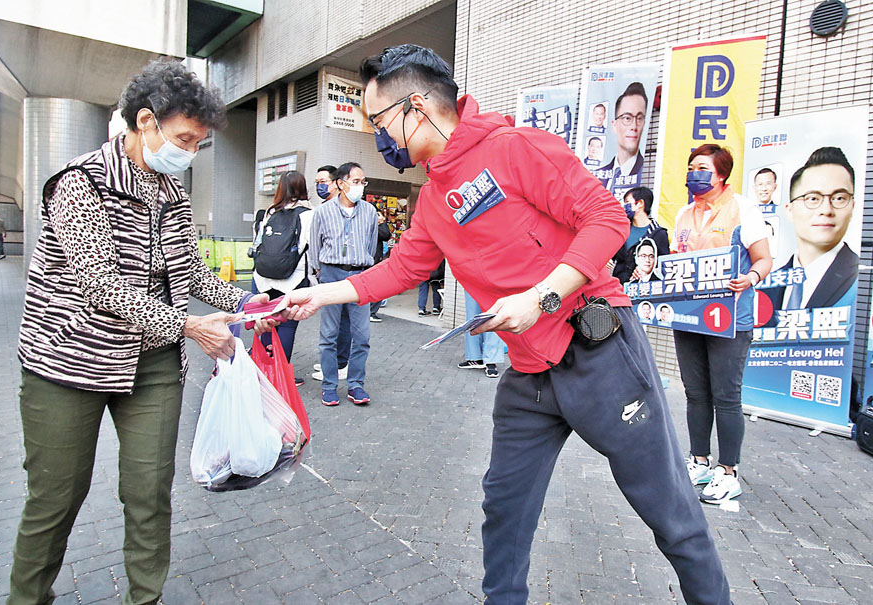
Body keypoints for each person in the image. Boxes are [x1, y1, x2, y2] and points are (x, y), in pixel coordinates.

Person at [270, 44, 731, 604]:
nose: (378, 138)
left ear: (417, 108)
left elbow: (606, 218)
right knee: (504, 507)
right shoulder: (436, 197)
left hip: (599, 349)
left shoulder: (514, 148)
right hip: (530, 374)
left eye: (380, 122)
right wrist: (318, 295)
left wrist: (540, 296)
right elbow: (400, 269)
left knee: (670, 513)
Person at [10, 59, 269, 605]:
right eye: (184, 139)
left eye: (199, 145)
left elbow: (190, 271)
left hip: (151, 366)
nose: (190, 153)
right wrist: (192, 326)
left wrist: (251, 302)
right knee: (56, 496)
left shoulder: (171, 192)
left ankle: (143, 599)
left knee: (149, 493)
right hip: (67, 362)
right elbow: (104, 287)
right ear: (145, 122)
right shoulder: (79, 185)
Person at [673, 143, 772, 504]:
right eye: (690, 167)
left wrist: (751, 278)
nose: (693, 174)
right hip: (690, 318)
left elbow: (763, 259)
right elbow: (677, 262)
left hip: (730, 320)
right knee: (695, 393)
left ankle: (728, 472)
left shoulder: (743, 209)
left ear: (722, 174)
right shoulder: (684, 213)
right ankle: (699, 461)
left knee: (726, 396)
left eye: (702, 168)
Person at [308, 162, 377, 406]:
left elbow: (371, 246)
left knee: (362, 336)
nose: (360, 186)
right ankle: (329, 385)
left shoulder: (369, 211)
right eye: (355, 181)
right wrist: (320, 274)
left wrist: (365, 269)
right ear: (340, 183)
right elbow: (314, 248)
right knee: (329, 334)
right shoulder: (323, 212)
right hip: (330, 274)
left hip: (360, 277)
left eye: (362, 182)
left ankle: (356, 385)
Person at [763, 147, 859, 312]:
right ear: (790, 210)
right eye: (813, 198)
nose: (826, 210)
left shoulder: (860, 279)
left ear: (852, 206)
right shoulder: (768, 283)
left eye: (839, 198)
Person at [251, 170, 313, 384]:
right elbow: (310, 250)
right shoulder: (307, 214)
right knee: (286, 325)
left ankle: (263, 370)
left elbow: (257, 244)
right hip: (292, 279)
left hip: (263, 278)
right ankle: (280, 375)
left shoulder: (268, 212)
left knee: (267, 322)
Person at [311, 164, 352, 380]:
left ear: (336, 184)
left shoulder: (346, 209)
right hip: (327, 270)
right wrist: (317, 268)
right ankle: (331, 360)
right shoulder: (322, 209)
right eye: (317, 183)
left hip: (344, 270)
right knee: (329, 320)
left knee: (342, 319)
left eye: (323, 182)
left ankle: (341, 363)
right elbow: (315, 242)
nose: (319, 186)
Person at [595, 82, 648, 197]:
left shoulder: (642, 173)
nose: (634, 126)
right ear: (614, 125)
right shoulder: (598, 174)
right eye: (627, 118)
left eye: (639, 118)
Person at [611, 186, 669, 283]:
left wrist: (647, 271)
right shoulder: (622, 230)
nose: (624, 206)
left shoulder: (658, 234)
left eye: (627, 202)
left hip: (644, 290)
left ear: (640, 203)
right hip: (619, 287)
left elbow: (664, 266)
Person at [459, 291, 505, 378]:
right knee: (472, 315)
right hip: (472, 278)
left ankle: (491, 360)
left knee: (492, 315)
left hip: (493, 280)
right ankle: (475, 357)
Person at [370, 211, 392, 322]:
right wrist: (382, 222)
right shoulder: (371, 226)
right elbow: (386, 235)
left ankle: (370, 311)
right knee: (378, 288)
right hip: (372, 262)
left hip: (370, 261)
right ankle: (370, 312)